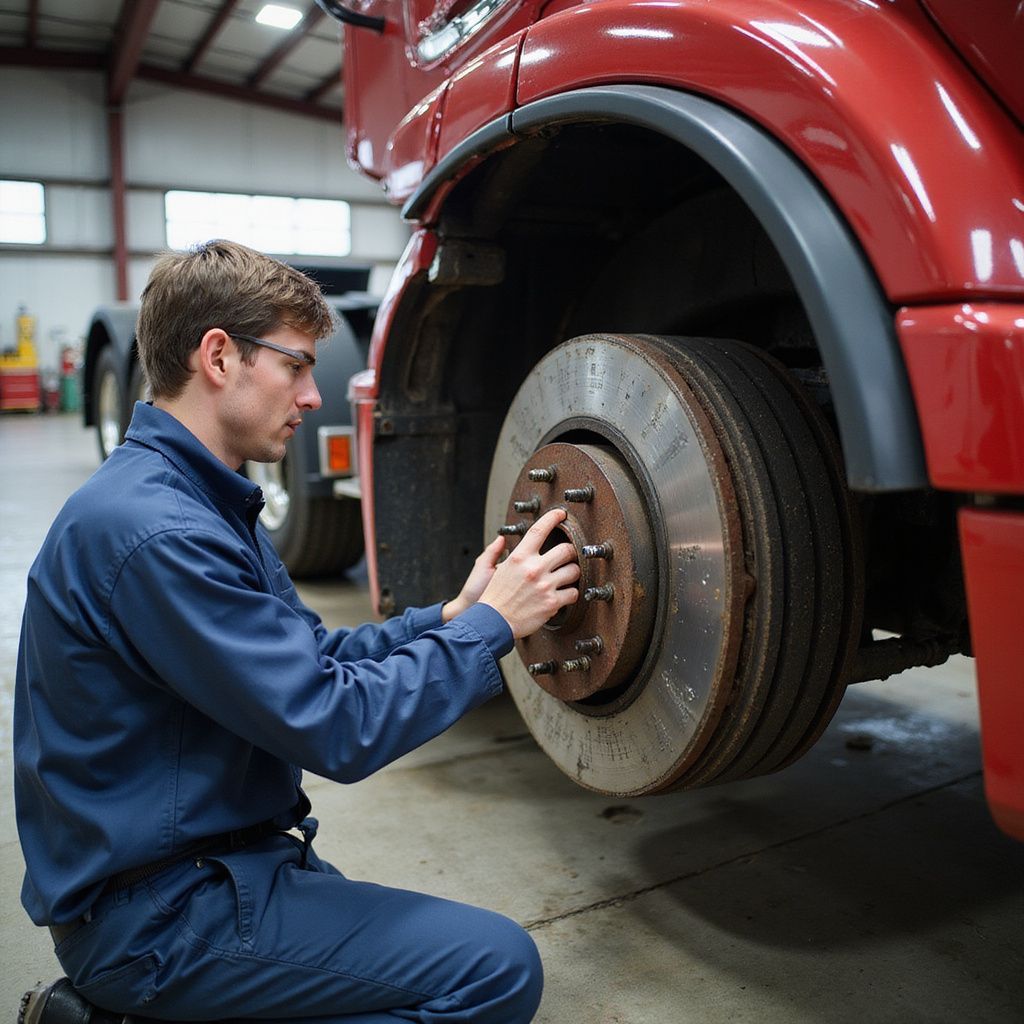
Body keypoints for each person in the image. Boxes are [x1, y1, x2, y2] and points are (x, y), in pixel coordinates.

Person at [14, 240, 580, 1024]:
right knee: (494, 969)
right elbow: (334, 725)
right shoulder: (159, 531)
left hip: (212, 866)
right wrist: (490, 631)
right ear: (218, 356)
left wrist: (446, 619)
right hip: (160, 916)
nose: (314, 396)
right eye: (297, 365)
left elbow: (309, 659)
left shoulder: (198, 499)